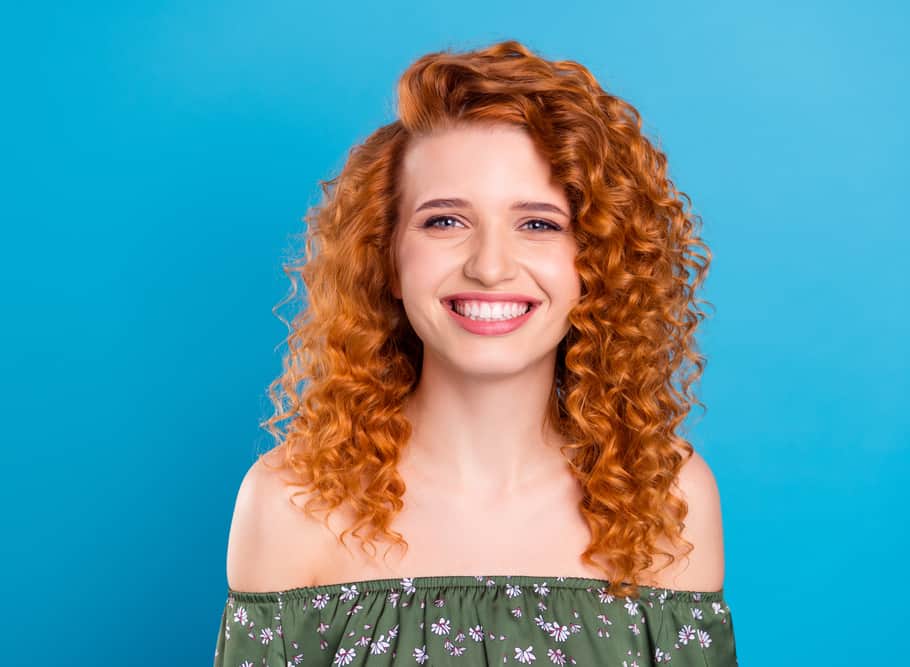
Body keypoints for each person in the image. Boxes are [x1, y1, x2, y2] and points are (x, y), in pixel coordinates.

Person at [214, 39, 738, 666]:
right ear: (385, 253)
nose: (490, 267)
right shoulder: (291, 503)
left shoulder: (666, 499)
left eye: (539, 223)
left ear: (598, 260)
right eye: (445, 221)